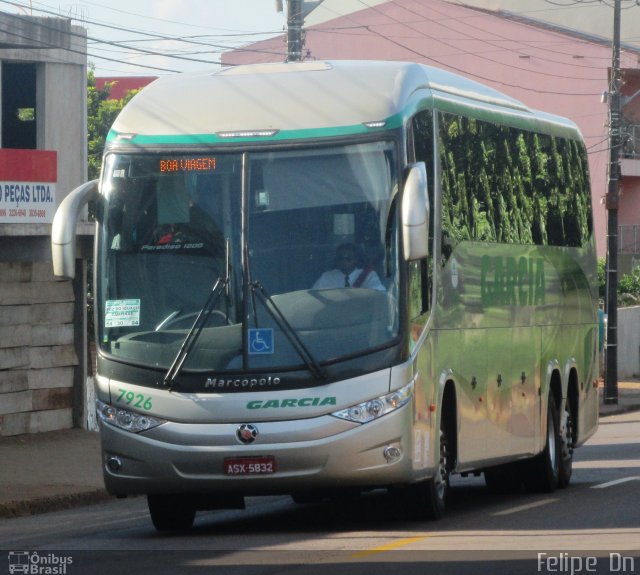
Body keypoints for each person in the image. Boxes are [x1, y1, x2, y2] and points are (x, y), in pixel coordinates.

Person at [313, 242, 385, 291]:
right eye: (340, 258)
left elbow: (380, 294)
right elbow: (314, 296)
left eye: (348, 258)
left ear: (356, 259)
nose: (343, 262)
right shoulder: (326, 277)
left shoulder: (369, 275)